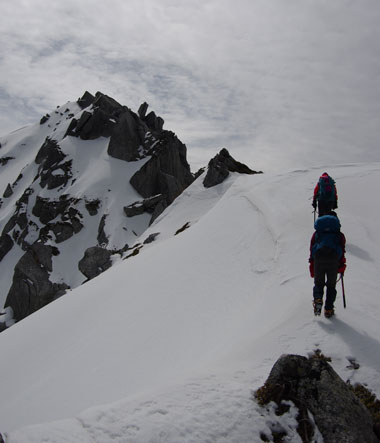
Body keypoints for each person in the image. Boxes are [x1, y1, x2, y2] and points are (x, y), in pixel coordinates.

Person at [309, 212, 346, 317]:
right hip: (333, 261)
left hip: (319, 259)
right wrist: (342, 266)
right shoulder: (339, 235)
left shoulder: (317, 233)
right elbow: (342, 251)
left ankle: (318, 299)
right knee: (331, 286)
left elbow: (312, 248)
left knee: (318, 283)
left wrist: (312, 262)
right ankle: (329, 309)